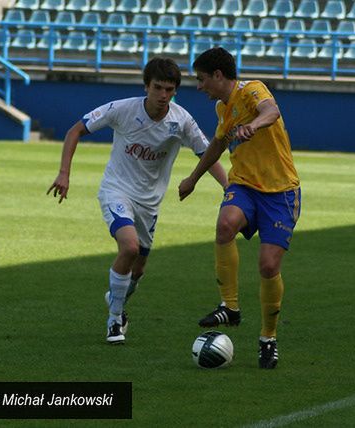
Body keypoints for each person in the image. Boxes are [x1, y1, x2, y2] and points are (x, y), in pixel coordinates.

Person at [48, 57, 228, 345]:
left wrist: (228, 187)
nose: (163, 95)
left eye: (169, 90)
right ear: (146, 86)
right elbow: (75, 130)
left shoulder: (181, 121)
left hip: (149, 203)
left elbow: (207, 153)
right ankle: (115, 320)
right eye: (158, 88)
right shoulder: (122, 109)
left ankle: (116, 298)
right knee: (129, 247)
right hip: (116, 190)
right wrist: (64, 173)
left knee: (139, 268)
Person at [178, 47, 301, 369]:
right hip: (244, 184)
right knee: (224, 225)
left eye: (202, 79)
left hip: (280, 192)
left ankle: (268, 338)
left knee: (268, 267)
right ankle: (230, 307)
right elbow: (217, 144)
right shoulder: (223, 108)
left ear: (218, 75)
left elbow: (271, 111)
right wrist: (193, 178)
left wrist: (255, 125)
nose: (200, 86)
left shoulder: (252, 89)